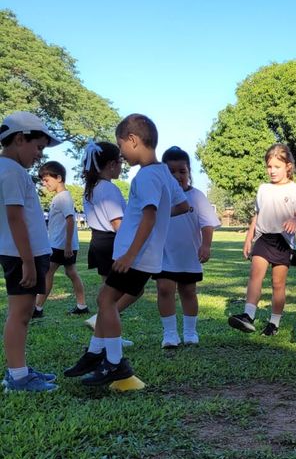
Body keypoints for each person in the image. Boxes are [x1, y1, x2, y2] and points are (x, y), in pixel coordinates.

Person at [64, 114, 188, 386]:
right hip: (147, 256)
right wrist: (159, 219)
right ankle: (95, 353)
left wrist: (130, 254)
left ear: (132, 140)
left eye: (121, 146)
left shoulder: (145, 176)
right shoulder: (163, 173)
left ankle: (114, 362)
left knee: (106, 301)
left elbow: (149, 216)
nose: (121, 153)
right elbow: (182, 206)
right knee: (106, 300)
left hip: (136, 256)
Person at [0, 111, 60, 392]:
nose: (39, 155)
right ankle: (18, 376)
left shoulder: (10, 169)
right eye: (38, 147)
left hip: (22, 253)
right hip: (22, 254)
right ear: (20, 139)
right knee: (20, 314)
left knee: (21, 314)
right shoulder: (12, 171)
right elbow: (15, 218)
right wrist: (27, 261)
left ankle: (19, 369)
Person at [227, 144, 296, 337]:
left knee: (278, 284)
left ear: (288, 166)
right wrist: (249, 239)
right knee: (255, 275)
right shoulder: (263, 189)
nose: (272, 171)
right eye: (269, 166)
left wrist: (295, 220)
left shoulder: (295, 190)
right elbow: (257, 215)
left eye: (277, 167)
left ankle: (274, 323)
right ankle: (248, 316)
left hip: (283, 241)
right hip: (263, 238)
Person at [155, 146, 220, 347]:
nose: (177, 176)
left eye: (182, 171)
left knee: (188, 291)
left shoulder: (197, 196)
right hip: (164, 254)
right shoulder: (159, 196)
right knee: (164, 289)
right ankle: (170, 334)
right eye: (171, 172)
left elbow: (207, 224)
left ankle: (190, 332)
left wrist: (206, 246)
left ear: (189, 172)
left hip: (189, 255)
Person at [81, 140, 134, 336]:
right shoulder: (108, 189)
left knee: (107, 291)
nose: (122, 166)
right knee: (133, 289)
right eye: (120, 162)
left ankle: (105, 335)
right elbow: (118, 223)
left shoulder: (92, 187)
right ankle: (101, 321)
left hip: (98, 241)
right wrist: (131, 249)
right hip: (112, 243)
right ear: (112, 164)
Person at [33, 161, 88, 318]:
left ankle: (37, 308)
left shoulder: (63, 197)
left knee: (48, 272)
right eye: (43, 181)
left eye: (46, 180)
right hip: (61, 244)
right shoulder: (61, 197)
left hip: (60, 245)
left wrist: (68, 245)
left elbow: (70, 220)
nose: (44, 184)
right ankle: (82, 305)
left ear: (58, 178)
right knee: (71, 272)